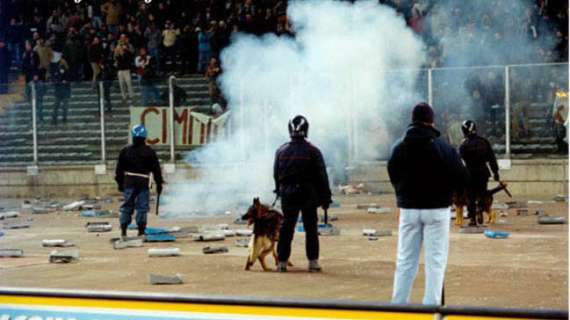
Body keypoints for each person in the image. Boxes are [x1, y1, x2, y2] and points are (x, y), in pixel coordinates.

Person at [388, 103, 467, 305]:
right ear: (431, 121)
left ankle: (398, 307)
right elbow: (460, 176)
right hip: (437, 209)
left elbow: (393, 172)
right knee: (435, 262)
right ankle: (431, 309)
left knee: (405, 261)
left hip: (409, 209)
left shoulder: (399, 146)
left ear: (412, 119)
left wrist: (403, 193)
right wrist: (449, 192)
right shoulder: (443, 146)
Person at [274, 115, 332, 273]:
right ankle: (313, 262)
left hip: (288, 194)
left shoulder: (281, 151)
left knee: (287, 228)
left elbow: (276, 175)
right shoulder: (313, 151)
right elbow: (322, 177)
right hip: (308, 194)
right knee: (311, 228)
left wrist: (279, 191)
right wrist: (325, 198)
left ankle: (282, 262)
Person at [115, 124, 164, 238]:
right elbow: (156, 170)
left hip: (129, 182)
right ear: (144, 137)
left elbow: (119, 170)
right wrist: (159, 184)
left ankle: (124, 230)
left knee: (127, 206)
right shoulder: (150, 152)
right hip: (143, 183)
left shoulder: (125, 151)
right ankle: (141, 231)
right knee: (142, 207)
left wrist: (120, 183)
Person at [459, 120, 500, 226]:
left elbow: (458, 160)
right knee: (482, 194)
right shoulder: (484, 142)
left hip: (469, 174)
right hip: (483, 173)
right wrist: (495, 172)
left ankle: (472, 219)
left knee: (470, 197)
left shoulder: (464, 144)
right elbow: (492, 158)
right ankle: (480, 209)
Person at [51, 57, 71, 125]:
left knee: (64, 107)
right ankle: (55, 120)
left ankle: (63, 119)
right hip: (59, 91)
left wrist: (65, 81)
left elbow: (68, 79)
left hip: (65, 91)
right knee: (56, 106)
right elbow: (54, 79)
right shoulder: (57, 70)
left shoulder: (67, 70)